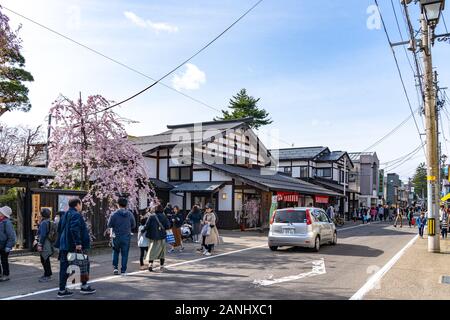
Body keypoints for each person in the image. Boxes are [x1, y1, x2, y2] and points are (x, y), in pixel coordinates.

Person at [55, 198, 95, 298]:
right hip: (73, 245)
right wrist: (78, 243)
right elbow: (74, 228)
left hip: (64, 245)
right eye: (80, 204)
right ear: (77, 204)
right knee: (84, 264)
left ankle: (62, 290)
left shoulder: (64, 214)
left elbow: (59, 228)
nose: (81, 206)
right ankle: (84, 286)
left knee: (64, 267)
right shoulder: (76, 214)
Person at [107, 197, 136, 276]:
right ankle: (123, 270)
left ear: (117, 204)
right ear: (126, 205)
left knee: (115, 252)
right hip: (126, 236)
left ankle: (115, 268)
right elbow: (134, 225)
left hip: (116, 236)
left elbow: (109, 225)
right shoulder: (130, 214)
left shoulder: (114, 214)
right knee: (125, 253)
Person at [144, 204, 171, 272]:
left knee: (152, 250)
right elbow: (168, 226)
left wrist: (142, 230)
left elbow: (147, 226)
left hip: (153, 237)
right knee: (162, 252)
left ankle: (150, 264)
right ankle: (161, 266)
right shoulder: (164, 217)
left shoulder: (151, 216)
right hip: (162, 236)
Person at [37, 208, 55, 282]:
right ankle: (46, 274)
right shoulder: (49, 221)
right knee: (45, 259)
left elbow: (43, 235)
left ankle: (48, 275)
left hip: (45, 242)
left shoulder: (44, 222)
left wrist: (40, 244)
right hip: (48, 241)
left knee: (45, 259)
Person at [0, 206, 16, 282]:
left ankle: (6, 275)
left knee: (4, 260)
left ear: (3, 214)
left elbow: (11, 236)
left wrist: (8, 246)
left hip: (4, 245)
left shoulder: (7, 222)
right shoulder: (1, 221)